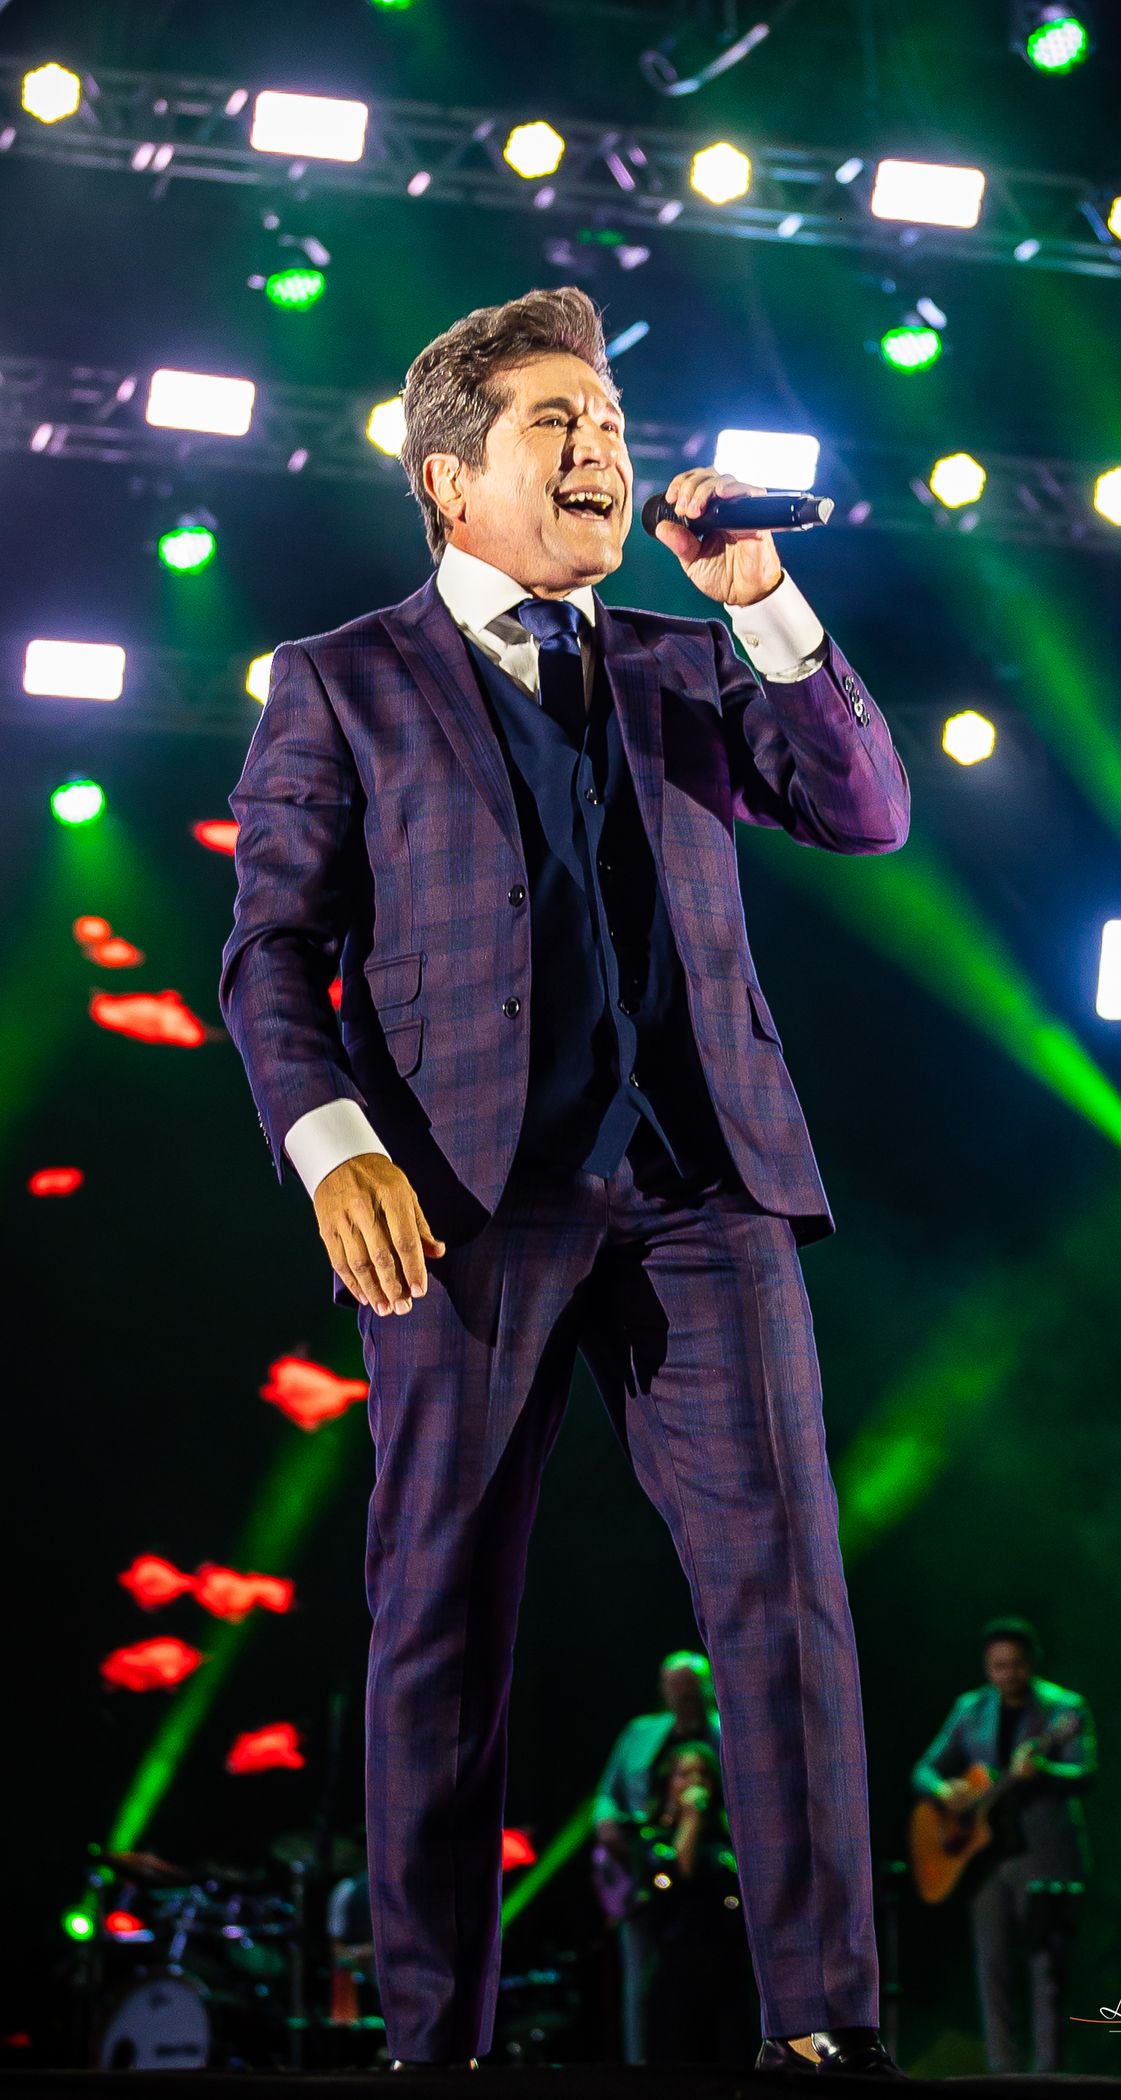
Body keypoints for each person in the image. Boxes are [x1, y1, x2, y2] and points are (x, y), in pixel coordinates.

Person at [220, 284, 909, 2077]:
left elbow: (864, 810)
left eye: (609, 421)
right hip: (463, 1203)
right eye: (559, 423)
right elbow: (271, 953)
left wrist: (761, 600)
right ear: (450, 481)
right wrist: (334, 1145)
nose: (603, 445)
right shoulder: (342, 682)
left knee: (788, 1598)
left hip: (705, 1193)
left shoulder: (686, 659)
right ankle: (431, 2041)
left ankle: (824, 2027)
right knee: (440, 1619)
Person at [911, 1618, 1096, 2074]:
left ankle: (1049, 2076)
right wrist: (945, 1791)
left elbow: (1085, 1772)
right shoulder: (971, 1708)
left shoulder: (1064, 1709)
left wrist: (1045, 1772)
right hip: (985, 1860)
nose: (1007, 1675)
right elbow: (924, 1769)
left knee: (1046, 1969)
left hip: (1043, 1855)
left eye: (1016, 1665)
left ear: (1032, 1662)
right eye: (998, 1666)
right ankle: (1003, 2075)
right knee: (991, 1967)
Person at [592, 1651, 725, 2061]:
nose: (683, 1699)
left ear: (708, 1689)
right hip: (645, 1876)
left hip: (706, 1878)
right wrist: (607, 1823)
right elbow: (606, 1794)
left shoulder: (728, 1736)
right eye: (675, 1689)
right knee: (641, 1984)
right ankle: (641, 2072)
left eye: (691, 1690)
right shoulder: (640, 1733)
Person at [630, 1738, 756, 2067]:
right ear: (668, 1782)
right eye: (685, 1775)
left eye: (703, 1775)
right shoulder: (652, 1840)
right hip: (676, 1977)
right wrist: (690, 1818)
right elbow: (675, 1877)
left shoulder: (727, 1844)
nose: (695, 1783)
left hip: (728, 1977)